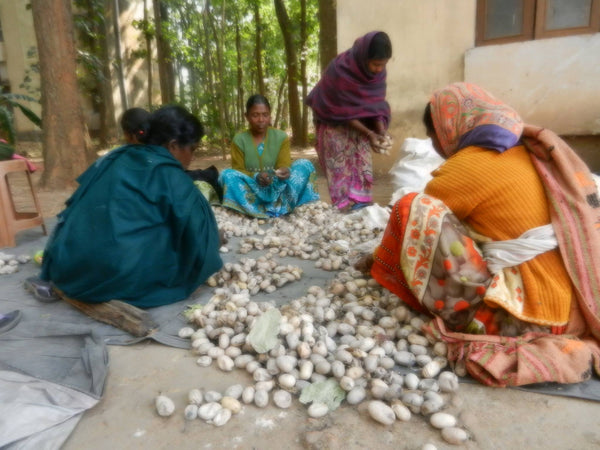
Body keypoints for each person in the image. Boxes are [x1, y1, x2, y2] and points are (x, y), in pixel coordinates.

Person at [363, 82, 600, 387]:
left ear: (446, 130)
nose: (434, 145)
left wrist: (377, 259)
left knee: (414, 207)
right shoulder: (527, 152)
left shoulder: (469, 164)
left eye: (432, 136)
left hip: (530, 318)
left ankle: (474, 316)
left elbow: (420, 228)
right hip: (576, 308)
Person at [37, 105, 223, 309]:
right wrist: (212, 242)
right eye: (192, 149)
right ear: (173, 146)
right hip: (114, 278)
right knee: (174, 246)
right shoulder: (171, 175)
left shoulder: (115, 158)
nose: (193, 158)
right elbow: (200, 241)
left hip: (68, 268)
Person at [305, 31, 392, 211]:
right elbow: (341, 109)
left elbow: (374, 105)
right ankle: (342, 206)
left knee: (362, 160)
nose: (379, 69)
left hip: (360, 126)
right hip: (333, 123)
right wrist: (369, 133)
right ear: (364, 57)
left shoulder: (378, 75)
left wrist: (381, 132)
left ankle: (361, 204)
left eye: (383, 65)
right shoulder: (340, 70)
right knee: (339, 164)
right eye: (376, 64)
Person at [219, 94, 319, 218]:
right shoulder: (239, 140)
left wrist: (284, 171)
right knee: (226, 175)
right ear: (247, 116)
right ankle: (259, 208)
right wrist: (256, 176)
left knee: (304, 164)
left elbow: (284, 164)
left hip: (278, 189)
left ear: (270, 115)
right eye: (255, 115)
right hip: (252, 189)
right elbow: (237, 170)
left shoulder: (281, 137)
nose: (261, 120)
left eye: (265, 115)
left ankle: (280, 205)